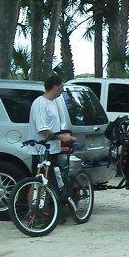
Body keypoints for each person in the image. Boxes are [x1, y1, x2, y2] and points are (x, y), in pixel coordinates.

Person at [28, 75, 76, 204]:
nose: (63, 89)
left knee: (49, 183)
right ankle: (33, 214)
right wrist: (62, 137)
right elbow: (42, 129)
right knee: (38, 182)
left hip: (52, 150)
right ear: (55, 86)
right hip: (41, 151)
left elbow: (52, 128)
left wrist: (61, 143)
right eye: (62, 86)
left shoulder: (52, 103)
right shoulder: (40, 103)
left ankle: (48, 212)